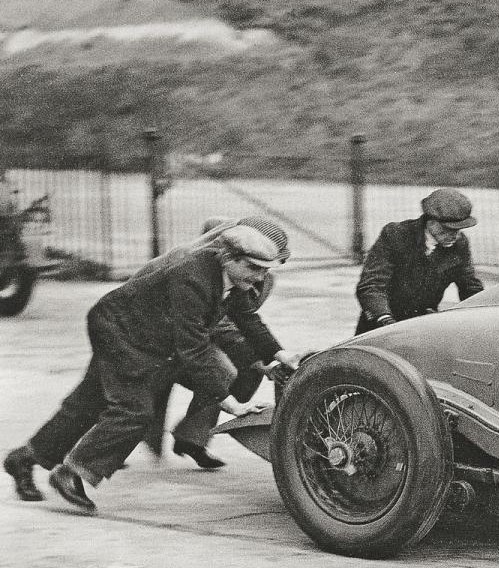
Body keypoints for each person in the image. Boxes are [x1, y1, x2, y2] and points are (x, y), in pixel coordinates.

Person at [2, 225, 298, 510]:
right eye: (254, 268)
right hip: (120, 334)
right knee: (135, 411)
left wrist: (280, 354)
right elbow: (192, 350)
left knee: (87, 404)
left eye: (265, 270)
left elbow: (250, 321)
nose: (260, 278)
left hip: (146, 337)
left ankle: (25, 458)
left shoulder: (235, 280)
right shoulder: (192, 277)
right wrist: (229, 403)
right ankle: (73, 473)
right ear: (229, 258)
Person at [143, 215, 294, 468]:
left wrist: (273, 356)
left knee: (235, 373)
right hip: (153, 334)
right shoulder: (191, 267)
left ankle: (191, 438)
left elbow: (246, 318)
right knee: (135, 395)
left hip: (195, 335)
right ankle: (94, 448)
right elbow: (217, 326)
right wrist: (258, 361)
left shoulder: (260, 278)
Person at [355, 188, 485, 334]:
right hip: (380, 326)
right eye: (448, 229)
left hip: (423, 328)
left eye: (458, 230)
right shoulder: (395, 235)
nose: (454, 236)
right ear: (431, 222)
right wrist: (384, 319)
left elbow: (471, 288)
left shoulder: (459, 245)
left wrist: (482, 317)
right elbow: (371, 285)